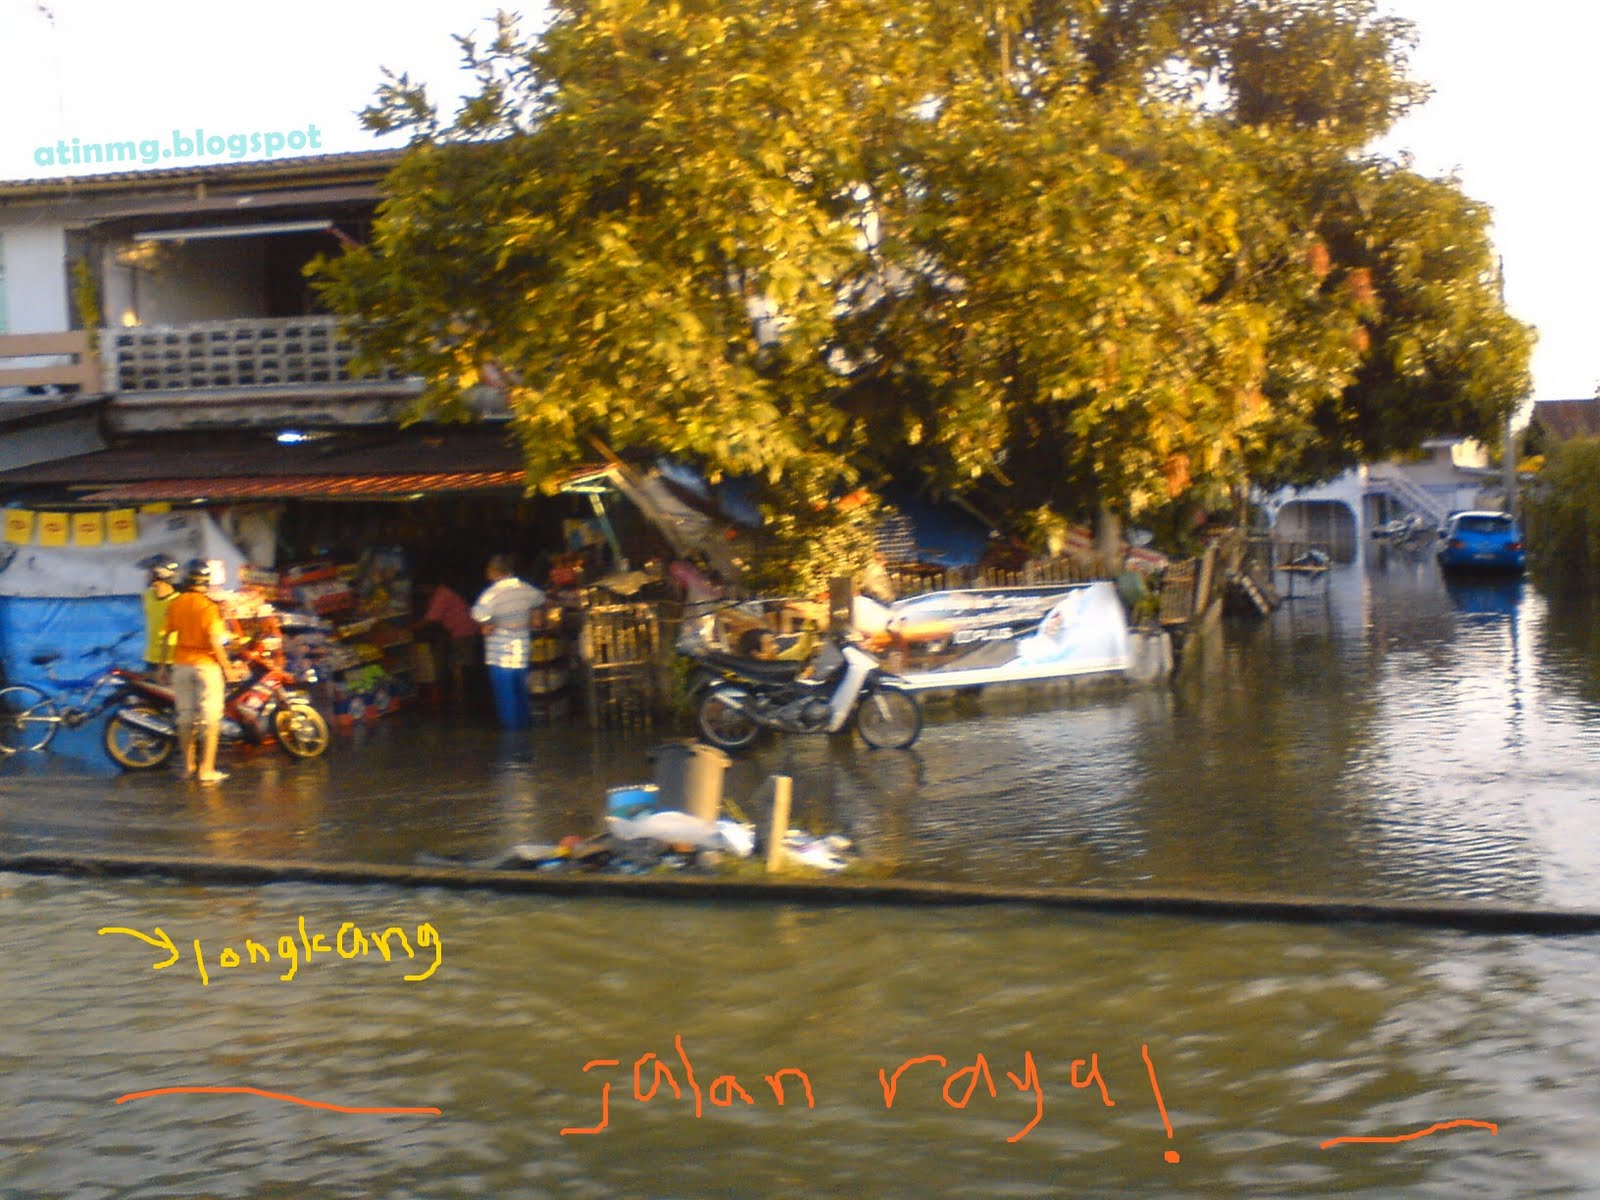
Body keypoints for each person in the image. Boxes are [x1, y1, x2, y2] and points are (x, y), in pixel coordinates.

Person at [162, 558, 238, 783]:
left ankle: (188, 768)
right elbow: (215, 641)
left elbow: (165, 636)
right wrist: (228, 668)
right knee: (210, 719)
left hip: (181, 665)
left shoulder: (176, 603)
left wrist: (162, 667)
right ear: (205, 581)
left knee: (185, 718)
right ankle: (206, 770)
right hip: (206, 667)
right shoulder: (208, 607)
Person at [470, 554, 546, 730]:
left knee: (506, 694)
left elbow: (478, 614)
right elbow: (540, 599)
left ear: (493, 571)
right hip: (521, 648)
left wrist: (489, 623)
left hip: (500, 652)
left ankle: (512, 732)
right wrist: (533, 616)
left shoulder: (491, 594)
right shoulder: (526, 589)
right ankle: (524, 728)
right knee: (521, 691)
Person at [415, 582, 478, 705]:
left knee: (459, 665)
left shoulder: (441, 594)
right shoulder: (443, 592)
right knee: (461, 664)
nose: (421, 591)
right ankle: (463, 695)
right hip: (465, 630)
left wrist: (412, 628)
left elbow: (431, 618)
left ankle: (461, 696)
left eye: (422, 588)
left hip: (462, 631)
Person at [136, 555, 179, 675]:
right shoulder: (148, 596)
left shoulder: (178, 601)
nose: (147, 576)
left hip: (171, 660)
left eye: (150, 572)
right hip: (151, 659)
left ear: (160, 574)